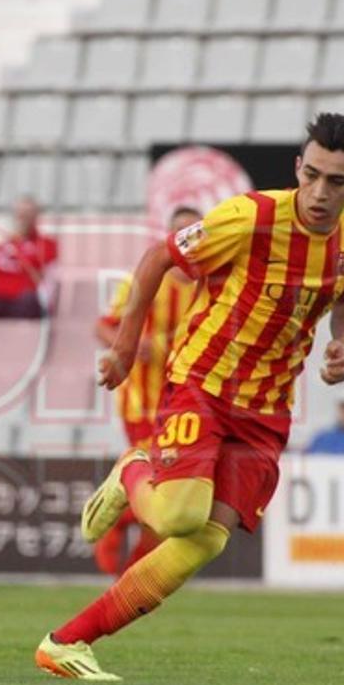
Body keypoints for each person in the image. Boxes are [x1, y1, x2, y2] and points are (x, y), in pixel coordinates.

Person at [35, 113, 344, 680]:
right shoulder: (249, 217)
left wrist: (343, 342)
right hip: (204, 382)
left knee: (204, 542)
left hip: (268, 409)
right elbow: (157, 259)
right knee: (179, 516)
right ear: (298, 167)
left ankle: (67, 643)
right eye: (312, 175)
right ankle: (132, 472)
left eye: (336, 182)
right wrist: (124, 349)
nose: (320, 193)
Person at [91, 206, 201, 576]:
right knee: (158, 484)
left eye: (194, 232)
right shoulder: (146, 280)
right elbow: (105, 327)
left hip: (189, 407)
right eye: (179, 233)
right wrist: (131, 343)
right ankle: (128, 570)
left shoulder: (213, 285)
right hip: (142, 403)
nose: (186, 242)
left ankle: (130, 565)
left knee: (168, 493)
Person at [0, 196, 57, 319]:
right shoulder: (3, 245)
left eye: (27, 214)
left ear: (35, 216)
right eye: (20, 213)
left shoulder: (46, 244)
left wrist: (19, 245)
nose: (23, 218)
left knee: (28, 302)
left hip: (23, 301)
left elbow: (42, 276)